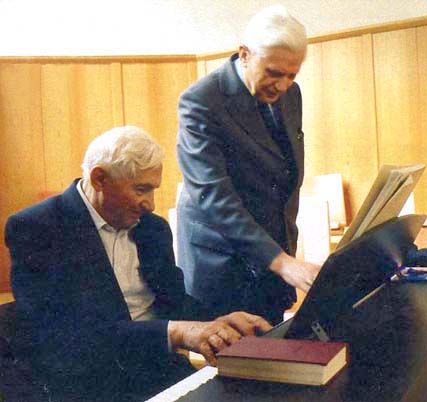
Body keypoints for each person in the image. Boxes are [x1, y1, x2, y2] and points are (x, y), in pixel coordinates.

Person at [4, 126, 271, 402]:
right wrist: (177, 332)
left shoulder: (152, 229)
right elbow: (67, 336)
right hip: (86, 385)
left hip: (155, 372)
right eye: (141, 190)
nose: (151, 205)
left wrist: (218, 320)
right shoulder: (36, 228)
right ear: (100, 179)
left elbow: (175, 303)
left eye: (153, 190)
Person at [176, 5, 321, 325]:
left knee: (271, 355)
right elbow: (214, 198)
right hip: (222, 265)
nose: (283, 84)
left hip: (272, 255)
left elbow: (283, 173)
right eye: (273, 73)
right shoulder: (200, 101)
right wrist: (282, 262)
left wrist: (282, 257)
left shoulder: (290, 93)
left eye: (291, 74)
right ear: (244, 54)